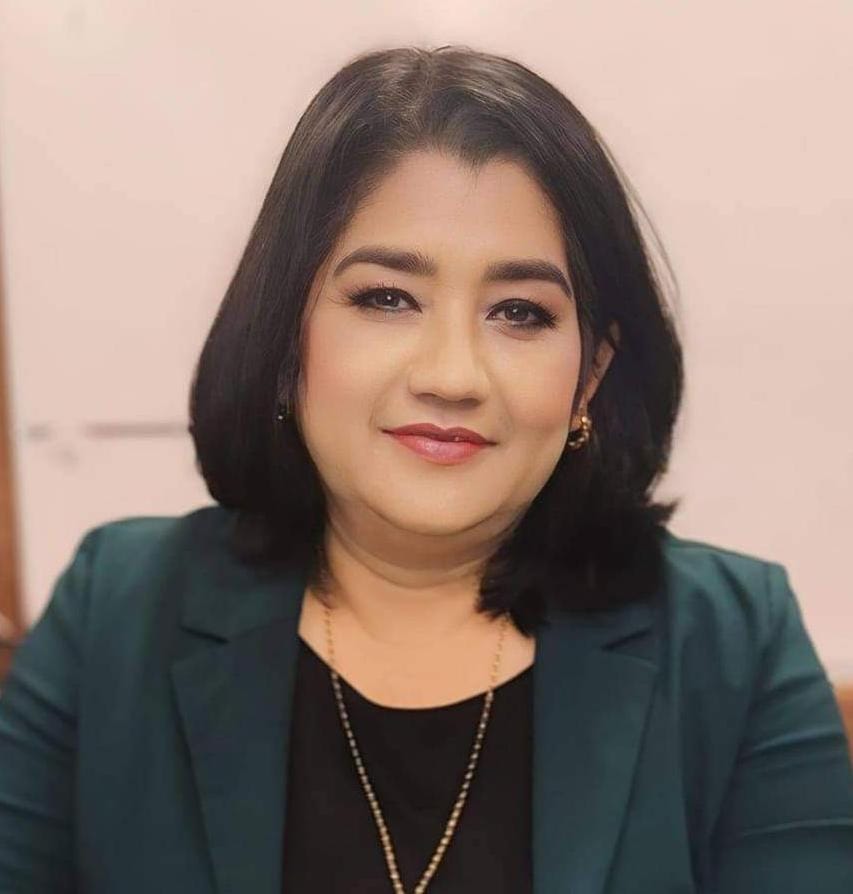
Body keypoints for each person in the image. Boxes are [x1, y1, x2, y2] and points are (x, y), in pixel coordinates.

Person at [1, 44, 851, 894]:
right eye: (386, 298)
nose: (451, 375)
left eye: (519, 312)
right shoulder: (116, 610)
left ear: (590, 374)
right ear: (288, 338)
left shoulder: (734, 640)